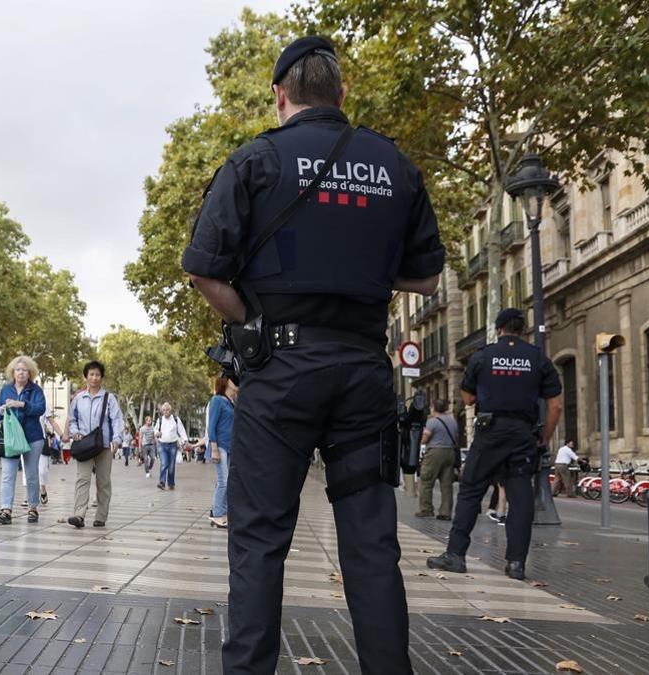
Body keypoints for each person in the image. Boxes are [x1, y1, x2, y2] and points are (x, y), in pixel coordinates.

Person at [182, 36, 445, 673]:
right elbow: (426, 279)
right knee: (372, 545)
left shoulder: (254, 162)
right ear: (342, 93)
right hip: (362, 375)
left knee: (259, 541)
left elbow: (202, 270)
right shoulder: (394, 167)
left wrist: (253, 321)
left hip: (281, 376)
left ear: (280, 96)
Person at [428, 308, 564, 581]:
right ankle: (516, 564)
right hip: (523, 434)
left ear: (499, 329)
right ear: (523, 330)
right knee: (520, 496)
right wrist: (544, 438)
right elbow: (556, 405)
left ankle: (455, 555)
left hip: (490, 432)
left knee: (470, 490)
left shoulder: (483, 356)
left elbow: (466, 398)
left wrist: (488, 391)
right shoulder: (538, 358)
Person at [67, 360, 124, 528]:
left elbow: (117, 420)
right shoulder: (78, 398)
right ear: (86, 377)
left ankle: (101, 516)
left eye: (97, 374)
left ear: (102, 377)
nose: (94, 377)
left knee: (103, 481)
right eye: (91, 374)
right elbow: (72, 420)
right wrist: (75, 431)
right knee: (82, 479)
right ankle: (79, 514)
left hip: (104, 445)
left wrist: (117, 439)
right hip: (84, 444)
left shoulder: (109, 398)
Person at [0, 356, 46, 524]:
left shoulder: (36, 390)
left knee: (31, 474)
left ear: (30, 373)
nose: (21, 373)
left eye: (24, 370)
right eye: (18, 370)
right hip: (11, 437)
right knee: (8, 474)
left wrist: (21, 404)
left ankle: (33, 508)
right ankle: (5, 510)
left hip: (32, 437)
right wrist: (1, 410)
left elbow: (40, 409)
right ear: (12, 372)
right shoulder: (6, 389)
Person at [417, 399, 459, 520]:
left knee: (426, 480)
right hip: (450, 452)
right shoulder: (453, 421)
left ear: (433, 408)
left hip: (435, 452)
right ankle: (445, 512)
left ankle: (426, 509)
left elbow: (425, 438)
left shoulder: (432, 421)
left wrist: (418, 441)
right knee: (447, 485)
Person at [207, 375, 237, 529]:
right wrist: (214, 449)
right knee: (223, 481)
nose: (236, 382)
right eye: (233, 380)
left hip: (230, 447)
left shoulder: (232, 402)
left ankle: (220, 513)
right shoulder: (217, 400)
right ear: (226, 382)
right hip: (219, 447)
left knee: (226, 482)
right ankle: (217, 515)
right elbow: (211, 426)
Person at [154, 402, 187, 491]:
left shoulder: (176, 419)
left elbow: (181, 430)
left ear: (170, 410)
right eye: (164, 410)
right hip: (162, 445)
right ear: (162, 411)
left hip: (173, 445)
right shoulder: (160, 420)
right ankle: (162, 482)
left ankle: (171, 483)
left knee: (171, 466)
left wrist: (185, 440)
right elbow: (155, 430)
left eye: (167, 410)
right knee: (164, 463)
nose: (166, 412)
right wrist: (157, 433)